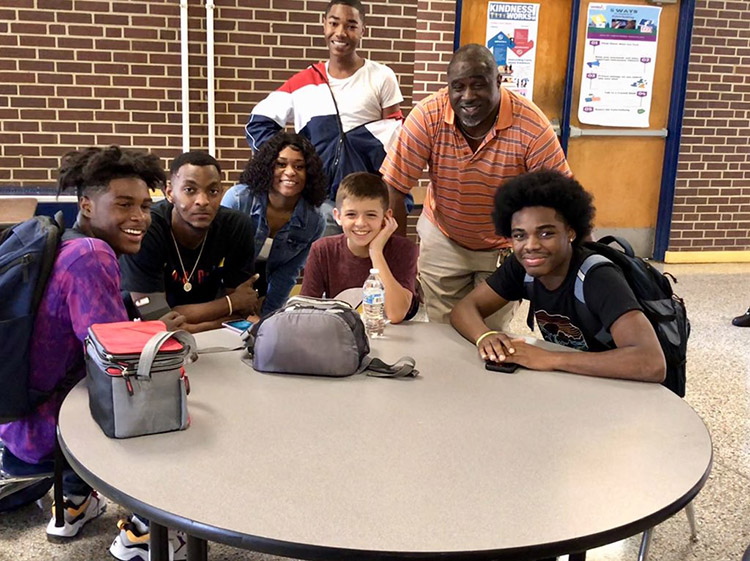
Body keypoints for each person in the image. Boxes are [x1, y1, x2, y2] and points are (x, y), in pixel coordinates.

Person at [0, 146, 172, 539]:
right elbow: (115, 361)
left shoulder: (65, 239)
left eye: (146, 206)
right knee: (161, 396)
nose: (140, 218)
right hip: (50, 429)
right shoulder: (91, 256)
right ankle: (147, 535)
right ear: (88, 205)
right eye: (125, 204)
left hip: (21, 417)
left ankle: (74, 503)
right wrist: (160, 338)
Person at [381, 44, 571, 330]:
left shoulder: (531, 125)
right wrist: (398, 262)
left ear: (498, 82)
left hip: (502, 248)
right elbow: (394, 187)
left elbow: (564, 199)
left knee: (488, 335)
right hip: (444, 236)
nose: (467, 96)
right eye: (458, 86)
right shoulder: (427, 116)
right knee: (442, 331)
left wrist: (584, 266)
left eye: (478, 85)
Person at [450, 170, 666, 383]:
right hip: (576, 380)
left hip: (624, 390)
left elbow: (651, 362)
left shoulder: (597, 277)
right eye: (519, 235)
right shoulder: (521, 266)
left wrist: (551, 358)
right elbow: (465, 308)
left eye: (546, 233)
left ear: (570, 233)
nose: (531, 245)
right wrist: (484, 336)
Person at [245, 0, 405, 234]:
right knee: (324, 265)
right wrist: (287, 158)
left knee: (369, 268)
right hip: (320, 202)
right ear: (324, 26)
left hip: (367, 201)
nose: (341, 33)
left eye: (351, 25)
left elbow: (395, 141)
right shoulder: (303, 83)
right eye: (334, 23)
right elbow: (258, 122)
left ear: (363, 29)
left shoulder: (381, 77)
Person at [120, 151, 260, 333]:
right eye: (189, 190)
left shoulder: (236, 225)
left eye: (213, 191)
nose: (202, 201)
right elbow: (156, 317)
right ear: (170, 192)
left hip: (214, 337)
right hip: (147, 339)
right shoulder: (148, 228)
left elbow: (242, 310)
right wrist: (229, 304)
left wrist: (189, 325)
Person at [222, 132, 327, 316]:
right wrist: (235, 306)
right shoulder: (239, 199)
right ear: (267, 167)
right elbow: (215, 258)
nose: (290, 172)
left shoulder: (314, 220)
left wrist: (268, 315)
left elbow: (287, 274)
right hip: (224, 283)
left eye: (299, 166)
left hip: (265, 286)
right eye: (281, 164)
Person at [300, 172, 418, 323]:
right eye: (351, 214)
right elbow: (304, 313)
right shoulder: (322, 250)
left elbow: (396, 314)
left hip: (392, 339)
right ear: (337, 216)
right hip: (342, 338)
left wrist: (375, 251)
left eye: (371, 215)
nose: (361, 223)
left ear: (386, 217)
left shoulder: (404, 249)